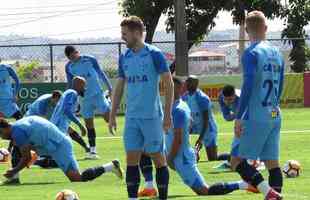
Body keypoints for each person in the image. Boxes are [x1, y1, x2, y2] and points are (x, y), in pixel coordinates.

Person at [109, 16, 174, 200]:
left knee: (158, 159)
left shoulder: (154, 54)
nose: (122, 37)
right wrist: (113, 114)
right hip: (131, 118)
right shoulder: (124, 57)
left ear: (137, 33)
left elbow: (169, 84)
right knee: (131, 160)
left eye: (125, 33)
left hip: (152, 117)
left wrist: (167, 114)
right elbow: (120, 86)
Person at [166, 77, 258, 195]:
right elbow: (187, 125)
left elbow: (179, 139)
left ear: (177, 88)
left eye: (168, 85)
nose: (165, 88)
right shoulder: (178, 104)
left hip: (182, 158)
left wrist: (170, 157)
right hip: (181, 156)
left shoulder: (180, 108)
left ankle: (243, 184)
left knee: (206, 191)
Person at [233, 11, 284, 200]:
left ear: (246, 30)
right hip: (274, 113)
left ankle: (268, 192)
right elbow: (281, 85)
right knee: (273, 163)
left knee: (236, 161)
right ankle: (274, 194)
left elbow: (247, 85)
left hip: (256, 115)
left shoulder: (251, 53)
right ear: (266, 28)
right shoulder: (277, 53)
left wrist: (239, 117)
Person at [0, 116, 123, 183]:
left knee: (77, 179)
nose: (1, 137)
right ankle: (15, 178)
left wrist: (14, 170)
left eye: (0, 133)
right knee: (18, 149)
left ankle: (111, 166)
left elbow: (25, 157)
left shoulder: (17, 132)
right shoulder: (18, 126)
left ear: (4, 128)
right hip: (51, 145)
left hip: (59, 147)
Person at [65, 45, 112, 159]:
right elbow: (70, 82)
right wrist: (69, 96)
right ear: (68, 58)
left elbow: (100, 73)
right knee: (89, 124)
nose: (73, 59)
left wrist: (110, 87)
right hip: (84, 98)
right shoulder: (69, 66)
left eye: (74, 55)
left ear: (77, 52)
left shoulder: (90, 59)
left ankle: (107, 100)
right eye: (70, 58)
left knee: (108, 119)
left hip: (97, 94)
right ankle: (93, 151)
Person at [183, 75, 229, 162]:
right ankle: (193, 154)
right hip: (195, 126)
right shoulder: (185, 96)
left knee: (212, 159)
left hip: (207, 128)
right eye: (186, 81)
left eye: (188, 81)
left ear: (195, 84)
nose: (186, 83)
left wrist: (200, 139)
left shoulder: (202, 98)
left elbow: (206, 120)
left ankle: (232, 156)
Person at [50, 77, 89, 153]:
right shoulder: (72, 93)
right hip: (59, 128)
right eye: (83, 86)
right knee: (63, 153)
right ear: (78, 85)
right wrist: (80, 125)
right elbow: (66, 111)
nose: (85, 89)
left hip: (57, 126)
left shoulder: (68, 93)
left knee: (57, 154)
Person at [0, 62, 23, 184]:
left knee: (21, 122)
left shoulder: (6, 68)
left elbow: (17, 80)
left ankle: (14, 146)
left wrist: (15, 94)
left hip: (9, 101)